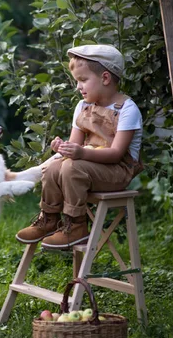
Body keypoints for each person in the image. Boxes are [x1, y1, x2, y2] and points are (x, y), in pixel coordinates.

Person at [16, 44, 143, 249]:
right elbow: (75, 147)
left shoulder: (127, 109)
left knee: (71, 167)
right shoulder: (83, 106)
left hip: (117, 171)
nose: (78, 87)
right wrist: (63, 148)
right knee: (54, 167)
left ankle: (76, 226)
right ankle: (49, 218)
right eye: (77, 81)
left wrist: (80, 153)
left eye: (83, 80)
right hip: (88, 167)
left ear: (105, 78)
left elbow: (117, 154)